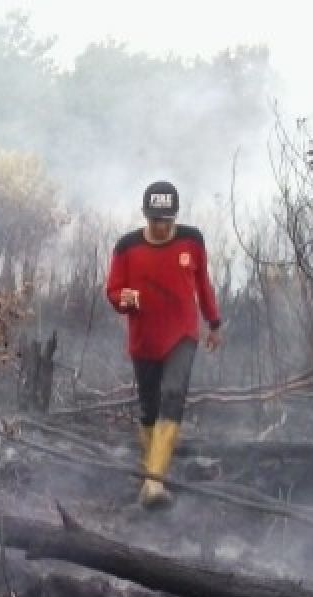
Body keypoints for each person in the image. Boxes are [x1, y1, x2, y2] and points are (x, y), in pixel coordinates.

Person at [106, 180, 222, 508]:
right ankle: (149, 473)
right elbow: (113, 291)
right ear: (146, 217)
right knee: (148, 407)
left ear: (175, 218)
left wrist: (213, 323)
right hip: (144, 339)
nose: (161, 226)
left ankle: (154, 484)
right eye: (155, 220)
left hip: (182, 334)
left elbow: (203, 284)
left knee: (173, 395)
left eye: (166, 220)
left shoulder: (192, 240)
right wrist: (123, 300)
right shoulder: (126, 246)